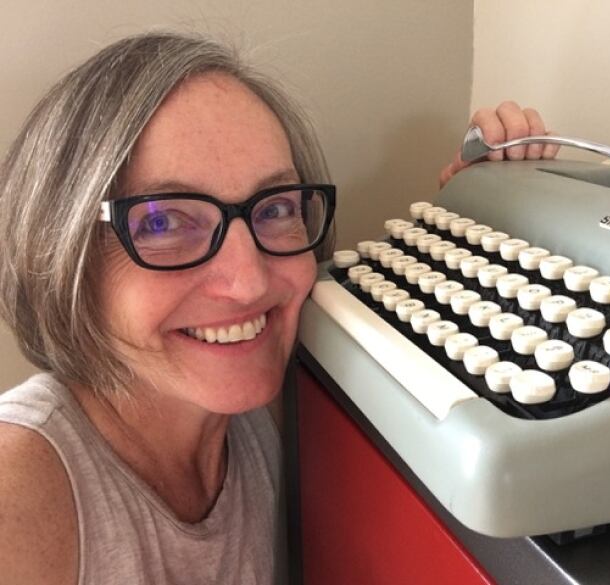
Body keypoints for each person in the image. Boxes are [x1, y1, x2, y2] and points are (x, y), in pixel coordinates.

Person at [0, 32, 557, 585]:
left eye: (276, 207)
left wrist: (481, 213)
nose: (248, 283)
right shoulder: (19, 488)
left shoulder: (284, 398)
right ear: (61, 248)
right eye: (163, 222)